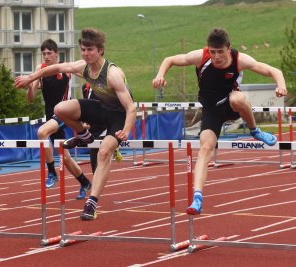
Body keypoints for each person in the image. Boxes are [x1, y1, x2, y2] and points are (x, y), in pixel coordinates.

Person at [152, 28, 287, 215]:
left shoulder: (239, 59)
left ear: (228, 49)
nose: (216, 57)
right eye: (213, 52)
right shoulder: (201, 56)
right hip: (211, 110)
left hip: (230, 105)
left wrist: (281, 85)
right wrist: (160, 75)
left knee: (238, 99)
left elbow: (273, 70)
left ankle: (255, 131)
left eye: (220, 52)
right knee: (205, 149)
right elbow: (171, 60)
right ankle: (197, 198)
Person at [15, 28, 136, 220]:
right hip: (102, 109)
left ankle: (92, 202)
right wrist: (30, 78)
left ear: (100, 51)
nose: (86, 54)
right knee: (59, 109)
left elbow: (131, 107)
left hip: (118, 116)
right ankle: (82, 134)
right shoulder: (83, 66)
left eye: (90, 50)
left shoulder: (113, 74)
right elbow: (55, 68)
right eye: (83, 49)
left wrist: (126, 131)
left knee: (104, 151)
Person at [25, 39, 92, 200]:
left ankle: (52, 173)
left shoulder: (65, 69)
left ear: (56, 54)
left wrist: (91, 90)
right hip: (50, 116)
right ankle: (84, 182)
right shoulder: (40, 70)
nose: (46, 56)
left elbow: (86, 73)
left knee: (42, 133)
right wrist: (29, 85)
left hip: (63, 114)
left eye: (49, 53)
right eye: (44, 54)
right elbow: (30, 98)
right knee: (66, 157)